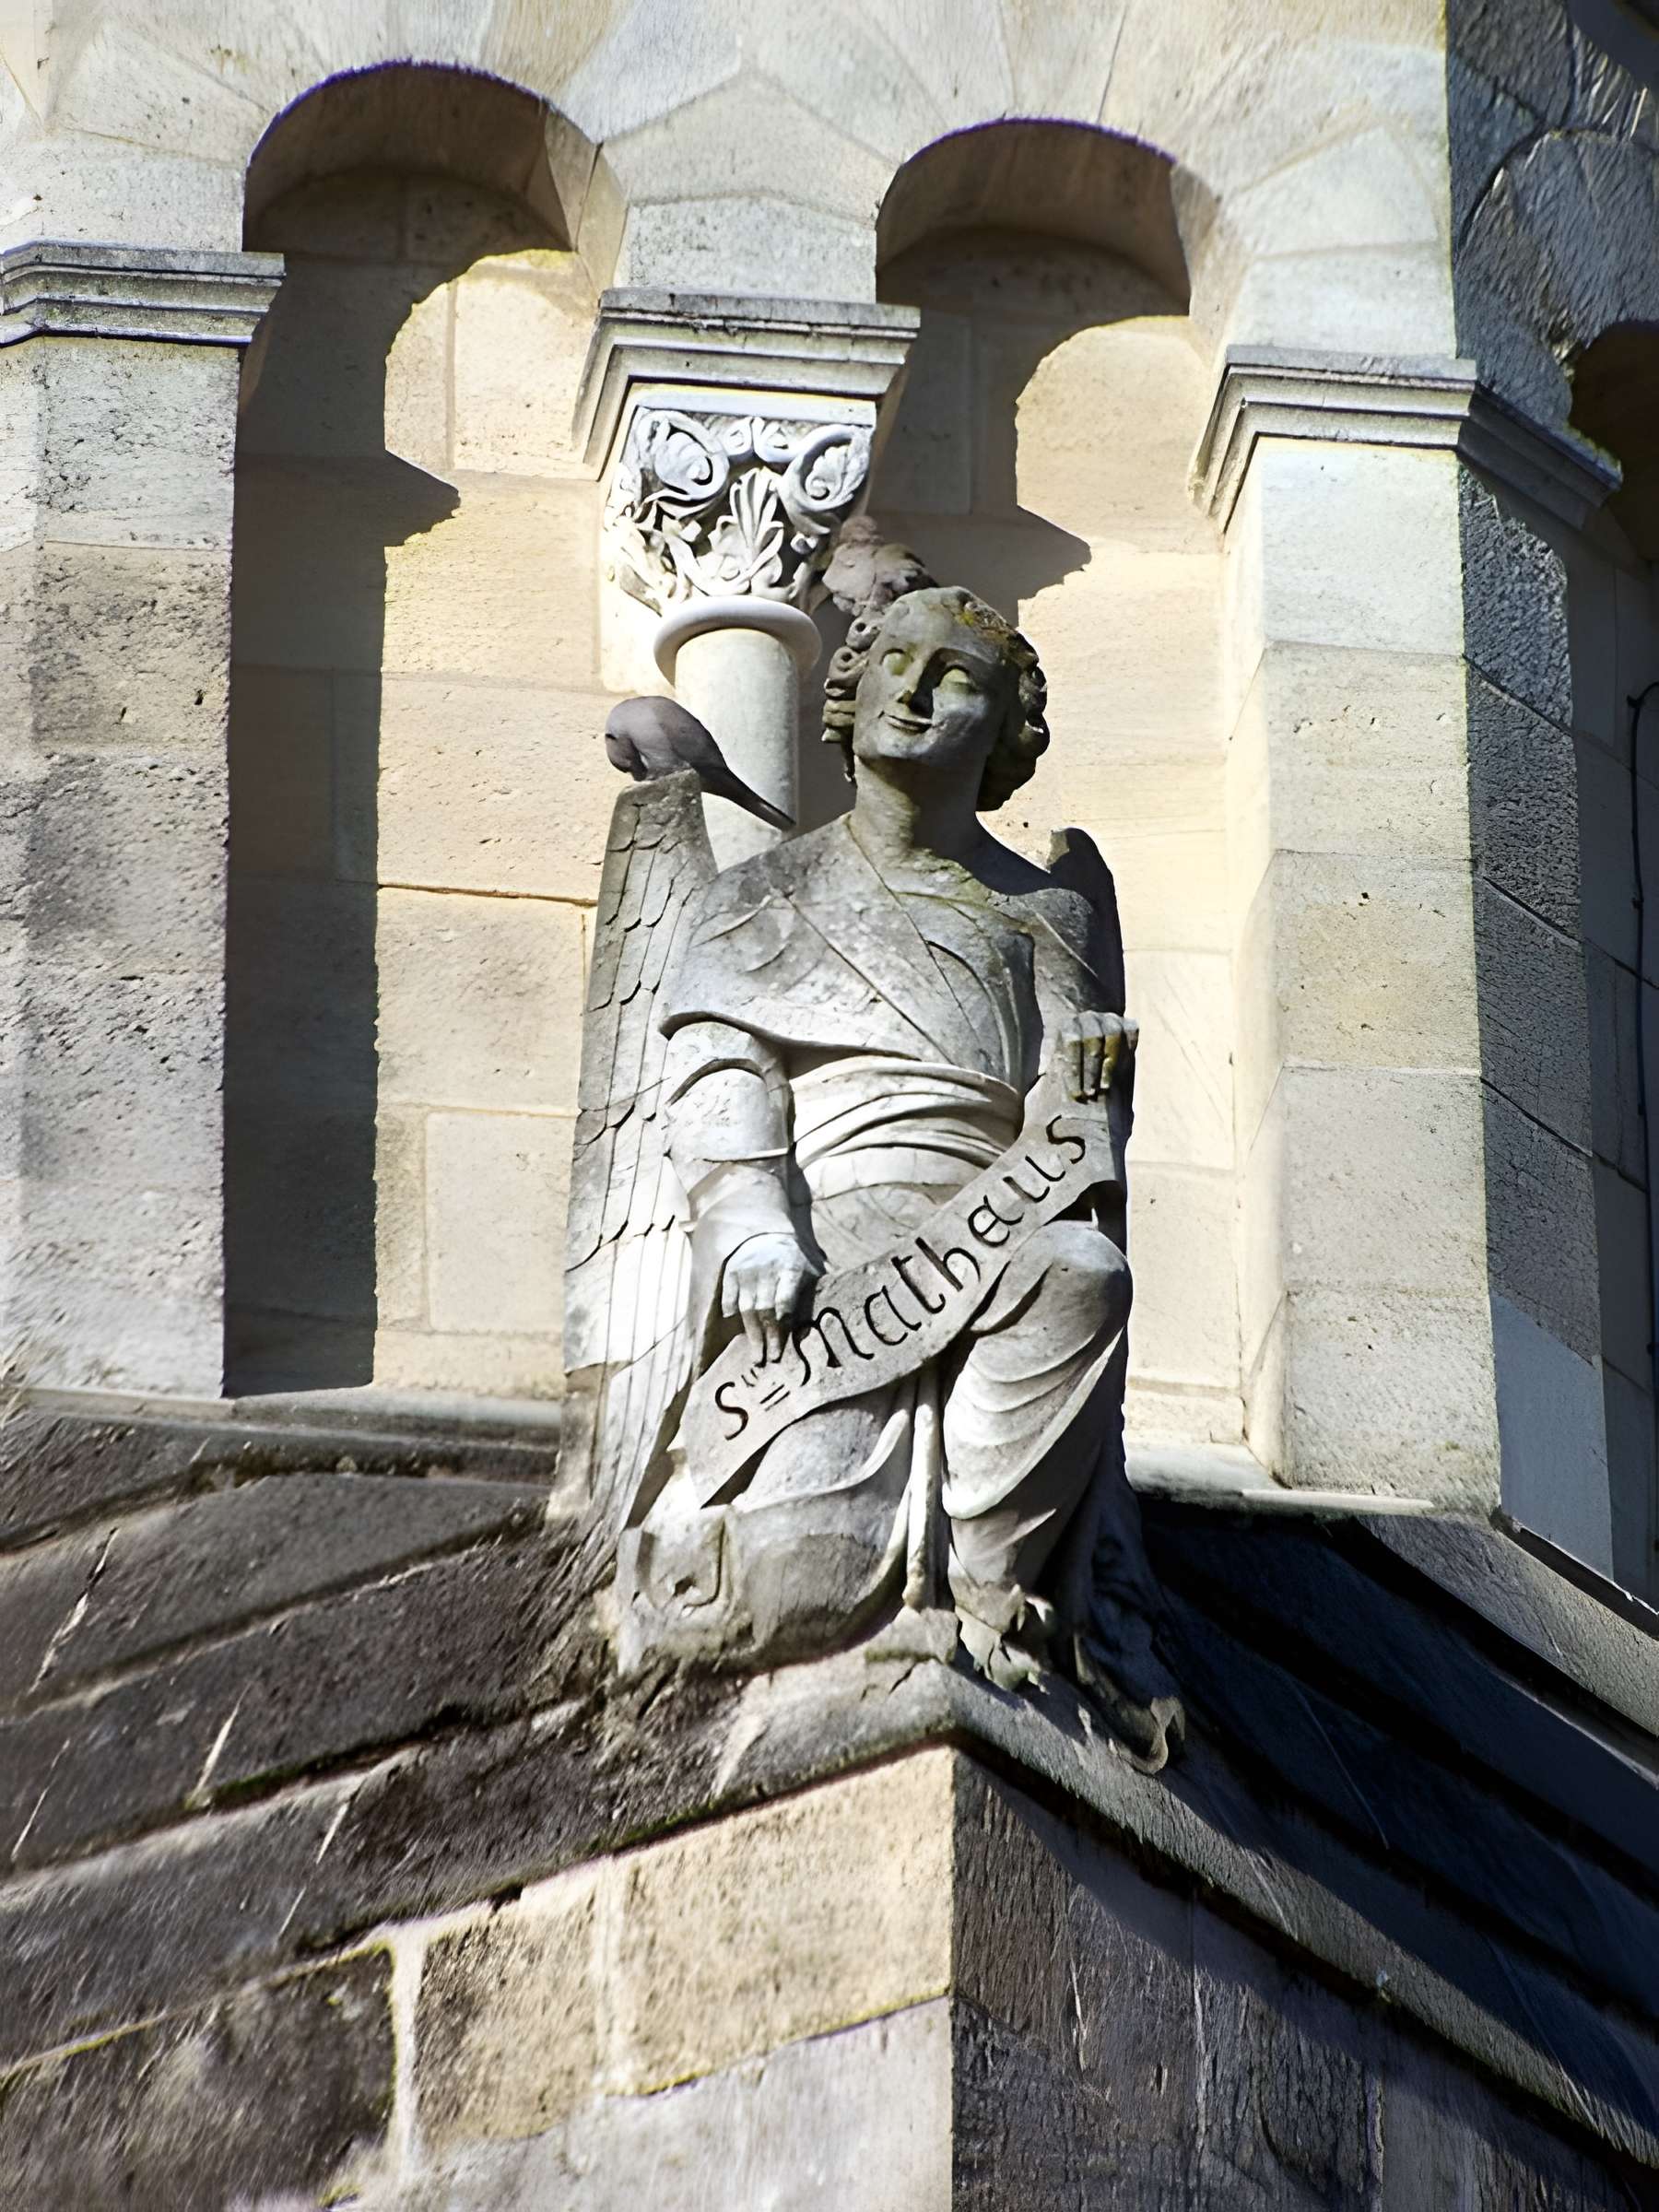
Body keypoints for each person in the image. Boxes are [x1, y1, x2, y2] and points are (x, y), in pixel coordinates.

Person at [616, 583, 1179, 1764]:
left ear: (1006, 730)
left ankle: (990, 1598)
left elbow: (1075, 1138)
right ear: (849, 689)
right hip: (835, 1236)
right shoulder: (757, 896)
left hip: (999, 1213)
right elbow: (721, 1078)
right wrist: (754, 1226)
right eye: (895, 665)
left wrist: (1086, 1081)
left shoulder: (1048, 913)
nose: (916, 693)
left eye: (958, 678)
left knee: (1085, 1272)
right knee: (791, 1560)